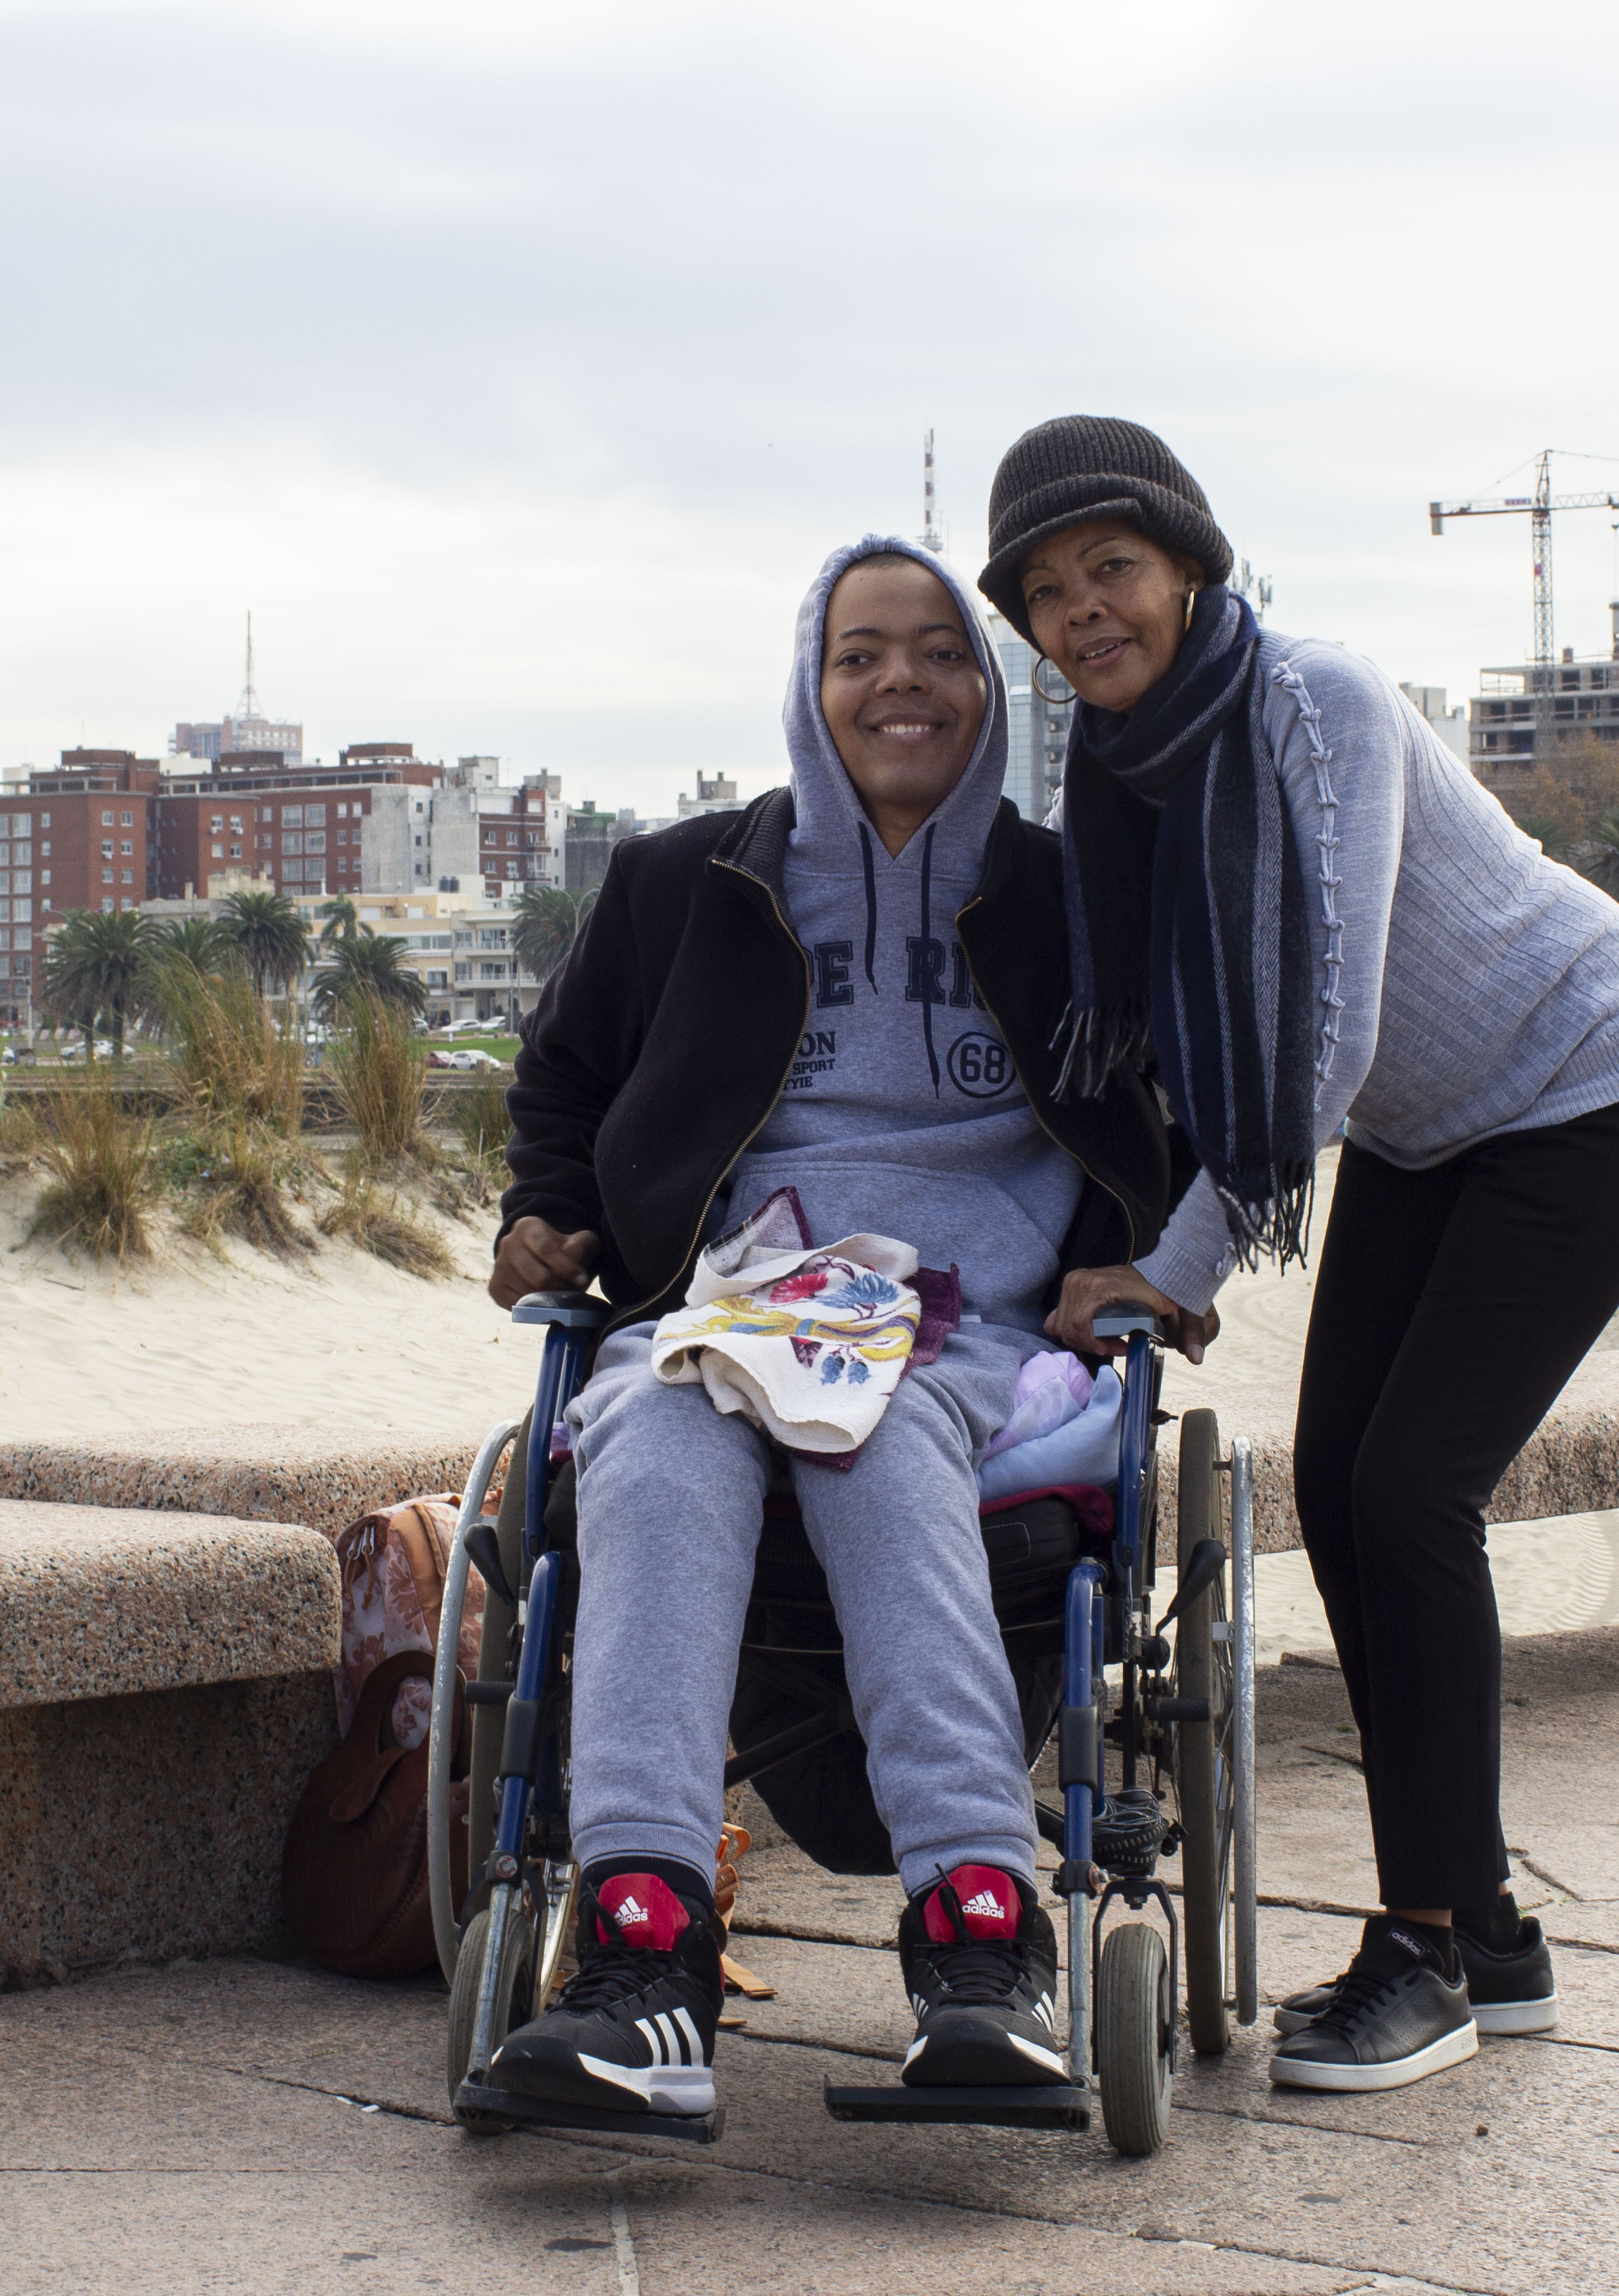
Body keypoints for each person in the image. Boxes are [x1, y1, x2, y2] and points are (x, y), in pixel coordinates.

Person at [985, 417, 1619, 2094]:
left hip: (1586, 1081)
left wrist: (1179, 1266)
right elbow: (1161, 1045)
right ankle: (1492, 1937)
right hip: (1430, 1132)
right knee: (1341, 1488)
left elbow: (1319, 1027)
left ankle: (1433, 1949)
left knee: (1406, 1496)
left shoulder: (1319, 706)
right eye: (1047, 590)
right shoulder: (1125, 768)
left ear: (1189, 567)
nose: (1085, 612)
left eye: (1115, 569)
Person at [478, 536, 1187, 2124]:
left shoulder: (1074, 895)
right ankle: (645, 1953)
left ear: (990, 686)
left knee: (877, 1445)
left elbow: (1175, 1108)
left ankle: (979, 1938)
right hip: (726, 1300)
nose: (901, 684)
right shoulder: (689, 883)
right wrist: (548, 1208)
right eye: (861, 653)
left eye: (940, 652)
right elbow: (563, 1083)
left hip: (958, 1319)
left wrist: (1138, 1261)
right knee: (650, 1443)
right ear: (812, 687)